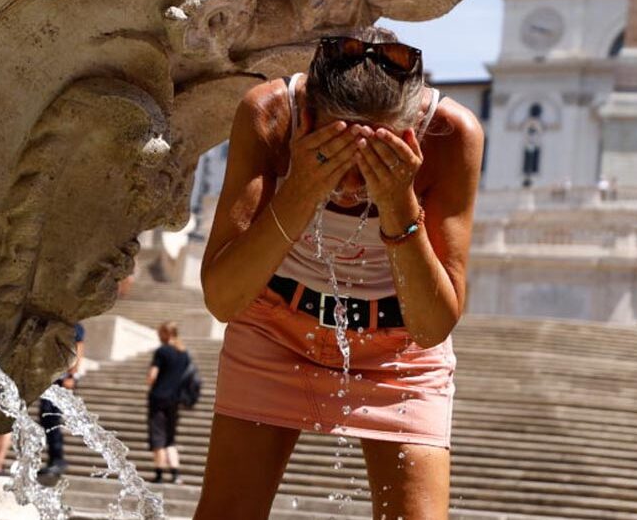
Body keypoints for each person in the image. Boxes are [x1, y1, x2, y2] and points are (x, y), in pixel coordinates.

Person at [195, 32, 483, 520]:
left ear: (412, 130)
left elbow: (433, 326)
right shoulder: (270, 113)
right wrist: (303, 187)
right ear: (307, 119)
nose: (351, 186)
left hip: (399, 348)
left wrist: (397, 201)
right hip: (275, 327)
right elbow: (223, 298)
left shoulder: (452, 135)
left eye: (373, 159)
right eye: (335, 154)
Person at [38, 322, 85, 477]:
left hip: (62, 377)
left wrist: (72, 375)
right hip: (51, 377)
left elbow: (78, 350)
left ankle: (58, 459)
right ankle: (53, 458)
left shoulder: (75, 325)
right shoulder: (59, 321)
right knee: (46, 417)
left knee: (52, 417)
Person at [148, 321, 192, 485]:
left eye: (160, 333)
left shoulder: (162, 351)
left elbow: (152, 375)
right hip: (175, 399)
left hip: (159, 397)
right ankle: (175, 474)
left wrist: (151, 382)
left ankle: (159, 473)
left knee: (158, 435)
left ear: (166, 334)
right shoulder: (184, 353)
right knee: (170, 438)